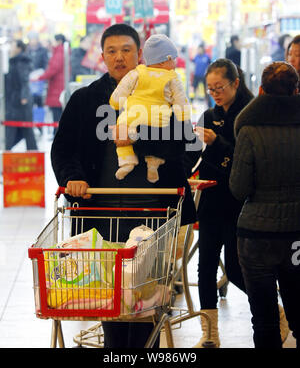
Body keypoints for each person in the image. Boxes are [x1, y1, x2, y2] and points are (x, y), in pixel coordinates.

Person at [50, 23, 196, 349]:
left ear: (140, 53)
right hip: (103, 213)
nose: (119, 58)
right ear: (102, 57)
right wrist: (73, 178)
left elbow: (189, 146)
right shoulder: (86, 100)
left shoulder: (167, 94)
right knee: (111, 301)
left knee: (149, 303)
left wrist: (140, 138)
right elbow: (63, 149)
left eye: (126, 50)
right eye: (112, 51)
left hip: (153, 214)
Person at [229, 62, 300, 348]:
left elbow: (238, 188)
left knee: (264, 319)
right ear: (296, 91)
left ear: (260, 91)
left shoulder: (249, 131)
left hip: (256, 238)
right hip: (297, 237)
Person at [184, 58, 254, 347]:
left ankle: (275, 309)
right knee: (205, 265)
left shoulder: (250, 114)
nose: (215, 93)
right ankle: (209, 332)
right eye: (210, 89)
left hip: (239, 202)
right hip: (210, 198)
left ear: (235, 83)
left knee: (237, 268)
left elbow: (246, 159)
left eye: (220, 87)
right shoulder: (208, 115)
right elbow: (195, 157)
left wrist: (218, 144)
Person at [109, 34, 190, 183]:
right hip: (157, 117)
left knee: (121, 131)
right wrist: (183, 116)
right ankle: (152, 165)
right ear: (167, 59)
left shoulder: (137, 73)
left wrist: (114, 103)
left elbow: (120, 92)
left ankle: (127, 161)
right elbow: (180, 101)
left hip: (133, 114)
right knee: (155, 142)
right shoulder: (172, 78)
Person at [5, 39, 38, 151]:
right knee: (15, 129)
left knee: (25, 129)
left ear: (19, 48)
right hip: (14, 100)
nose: (11, 48)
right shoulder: (12, 61)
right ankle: (7, 155)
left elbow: (24, 80)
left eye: (13, 45)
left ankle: (33, 155)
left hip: (20, 102)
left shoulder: (21, 62)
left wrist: (23, 97)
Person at [33, 34, 66, 136]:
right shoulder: (60, 52)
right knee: (58, 115)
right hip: (58, 87)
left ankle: (57, 136)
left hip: (57, 88)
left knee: (57, 115)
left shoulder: (59, 53)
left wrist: (39, 77)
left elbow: (53, 69)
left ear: (59, 41)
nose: (52, 44)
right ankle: (57, 134)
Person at [26, 31, 49, 134]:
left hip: (39, 82)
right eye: (31, 39)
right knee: (29, 103)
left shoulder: (43, 50)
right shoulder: (26, 50)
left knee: (39, 103)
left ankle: (39, 125)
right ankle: (30, 125)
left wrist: (40, 73)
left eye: (34, 39)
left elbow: (46, 64)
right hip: (28, 81)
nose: (32, 41)